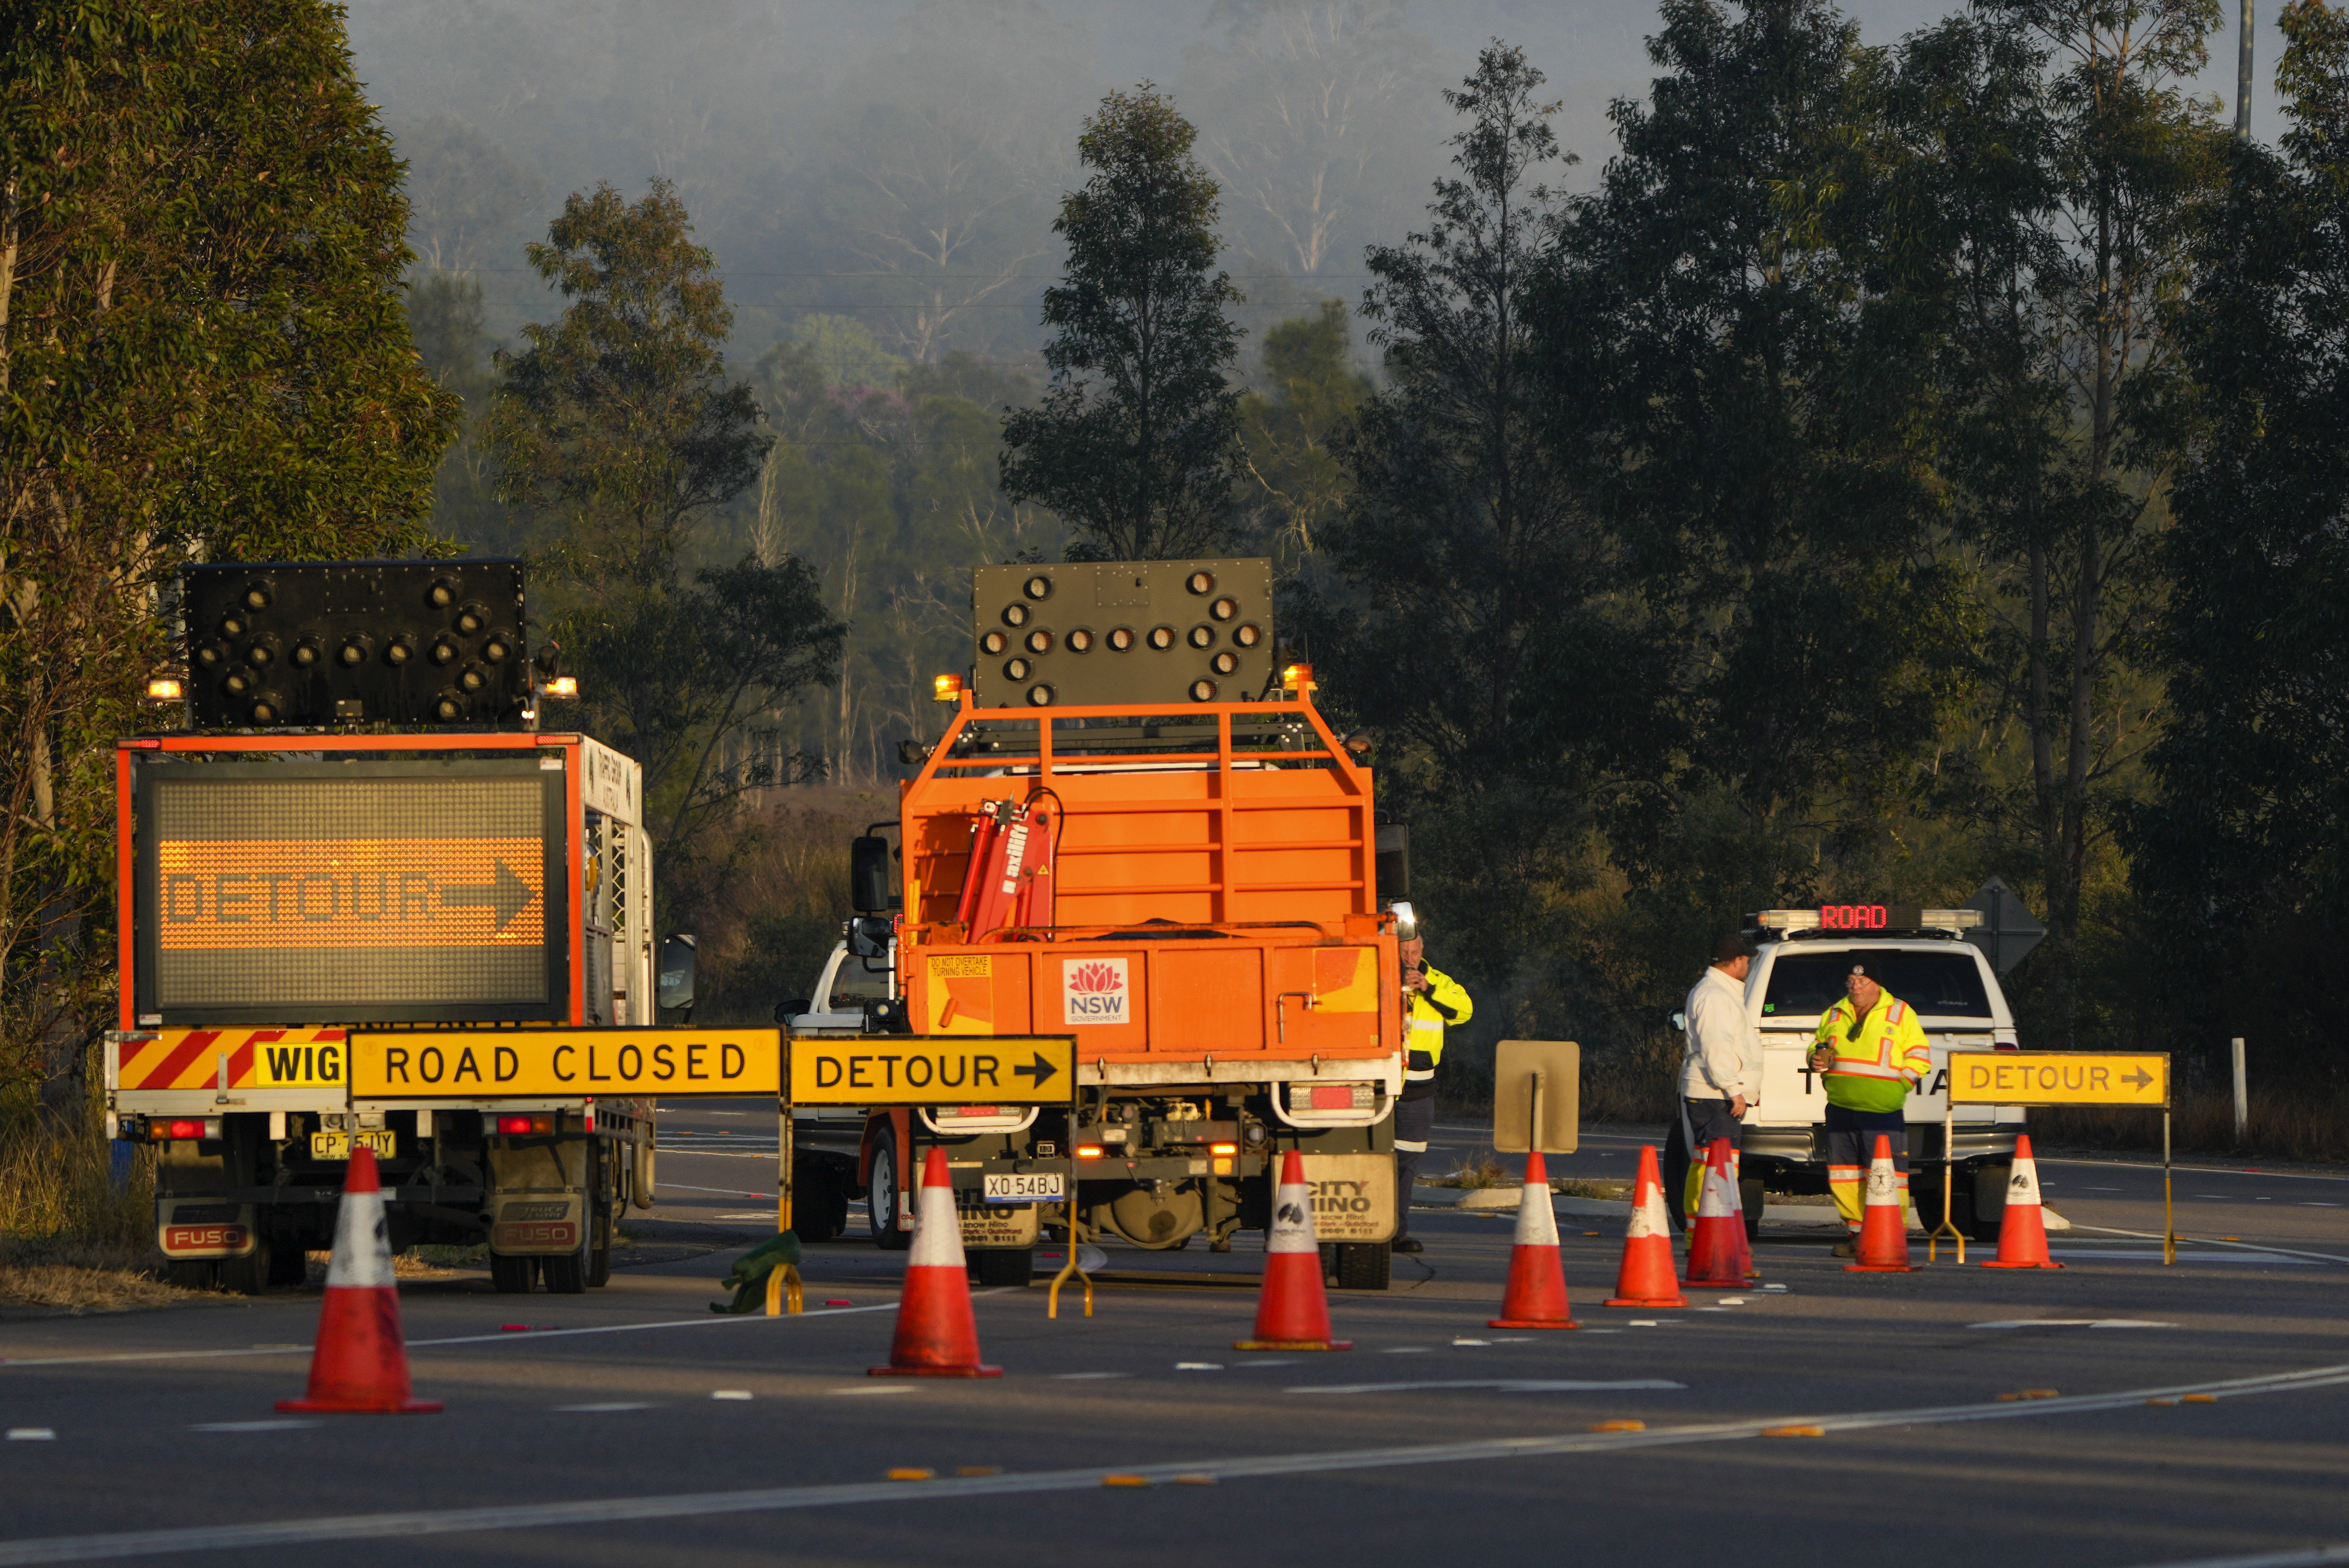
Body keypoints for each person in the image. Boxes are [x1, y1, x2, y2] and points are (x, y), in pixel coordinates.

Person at [1809, 961, 1930, 1253]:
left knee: (1886, 1175)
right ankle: (1856, 1234)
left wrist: (1900, 1085)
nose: (1856, 987)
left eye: (1862, 982)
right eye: (1851, 981)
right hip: (1841, 1109)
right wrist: (1814, 1057)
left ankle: (1890, 1235)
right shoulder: (1835, 1012)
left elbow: (1920, 1056)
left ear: (1877, 984)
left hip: (1883, 1112)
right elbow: (1818, 1044)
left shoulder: (1900, 1013)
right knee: (1845, 1174)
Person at [1391, 928, 1472, 1255]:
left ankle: (1396, 1231)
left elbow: (1464, 1010)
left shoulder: (1439, 980)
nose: (1409, 959)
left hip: (1418, 1087)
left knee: (1406, 1163)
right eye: (1403, 953)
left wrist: (1428, 989)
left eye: (1414, 952)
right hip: (1379, 1083)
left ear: (1423, 948)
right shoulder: (1377, 976)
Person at [1679, 932, 1761, 1220]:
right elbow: (1717, 1046)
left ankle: (1706, 1229)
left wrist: (1746, 1088)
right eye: (1747, 960)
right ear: (1737, 962)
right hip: (1715, 1095)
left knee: (1710, 1161)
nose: (1748, 966)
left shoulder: (1716, 992)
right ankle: (1709, 1228)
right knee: (1716, 1164)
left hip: (1714, 1093)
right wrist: (1734, 1090)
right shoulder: (1715, 995)